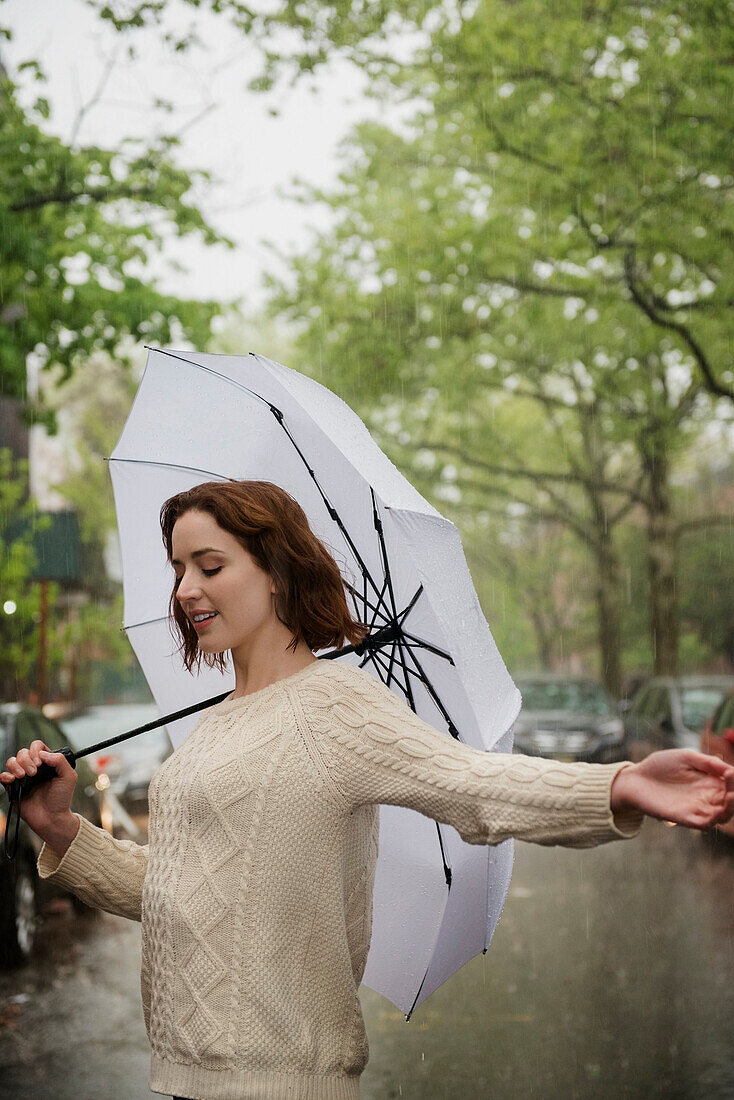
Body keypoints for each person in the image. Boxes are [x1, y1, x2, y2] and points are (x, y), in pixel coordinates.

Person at [3, 479, 733, 1100]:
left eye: (209, 564)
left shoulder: (336, 707)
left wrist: (622, 785)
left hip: (280, 1082)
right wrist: (63, 829)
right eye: (178, 568)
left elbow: (475, 786)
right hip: (186, 1078)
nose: (186, 589)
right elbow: (181, 893)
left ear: (277, 572)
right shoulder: (217, 726)